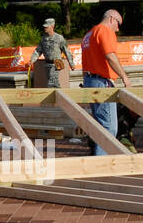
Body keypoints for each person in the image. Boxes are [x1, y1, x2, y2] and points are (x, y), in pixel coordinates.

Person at [81, 10, 128, 155]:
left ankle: (99, 158)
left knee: (101, 125)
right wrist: (124, 77)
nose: (117, 29)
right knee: (109, 128)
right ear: (112, 19)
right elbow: (110, 56)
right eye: (118, 24)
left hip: (90, 80)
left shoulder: (89, 34)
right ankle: (102, 162)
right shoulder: (105, 31)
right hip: (101, 82)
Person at [33, 18, 72, 88]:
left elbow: (66, 51)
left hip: (57, 63)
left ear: (52, 27)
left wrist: (71, 64)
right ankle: (59, 93)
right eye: (44, 27)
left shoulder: (59, 38)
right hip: (47, 64)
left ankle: (57, 94)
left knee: (52, 82)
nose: (45, 28)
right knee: (54, 82)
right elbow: (38, 51)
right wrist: (32, 60)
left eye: (47, 27)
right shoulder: (43, 39)